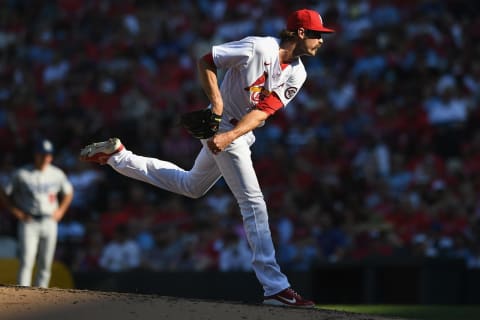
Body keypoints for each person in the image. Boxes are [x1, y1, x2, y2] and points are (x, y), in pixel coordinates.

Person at [79, 8, 334, 307]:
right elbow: (207, 61)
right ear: (301, 33)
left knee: (191, 186)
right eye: (317, 34)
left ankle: (118, 156)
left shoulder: (298, 72)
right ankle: (275, 287)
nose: (321, 40)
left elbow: (262, 112)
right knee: (253, 202)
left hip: (235, 131)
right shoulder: (258, 46)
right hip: (221, 123)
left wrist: (229, 136)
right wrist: (216, 106)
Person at [0, 138, 74, 288]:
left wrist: (61, 211)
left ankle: (41, 293)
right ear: (35, 155)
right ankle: (23, 293)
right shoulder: (21, 174)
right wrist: (15, 211)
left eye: (48, 155)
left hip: (50, 220)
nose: (45, 158)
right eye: (42, 154)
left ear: (51, 156)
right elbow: (4, 192)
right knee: (27, 259)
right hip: (29, 221)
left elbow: (69, 192)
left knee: (46, 261)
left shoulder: (56, 173)